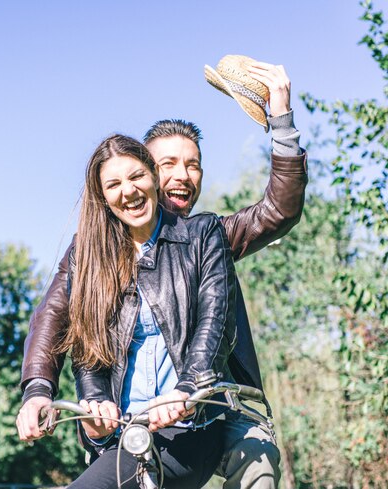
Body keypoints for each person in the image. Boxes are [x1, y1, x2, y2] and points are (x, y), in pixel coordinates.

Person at [16, 61, 308, 488]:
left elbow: (278, 211)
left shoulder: (209, 234)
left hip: (208, 411)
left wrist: (281, 119)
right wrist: (41, 390)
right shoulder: (93, 254)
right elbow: (57, 322)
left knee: (258, 464)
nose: (181, 176)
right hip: (127, 425)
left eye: (193, 166)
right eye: (167, 163)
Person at [55, 134, 237, 488]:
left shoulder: (202, 233)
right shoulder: (89, 260)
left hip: (190, 426)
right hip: (125, 435)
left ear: (153, 177)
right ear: (103, 198)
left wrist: (186, 391)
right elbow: (89, 355)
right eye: (114, 184)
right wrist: (94, 404)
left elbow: (216, 324)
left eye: (136, 176)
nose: (128, 191)